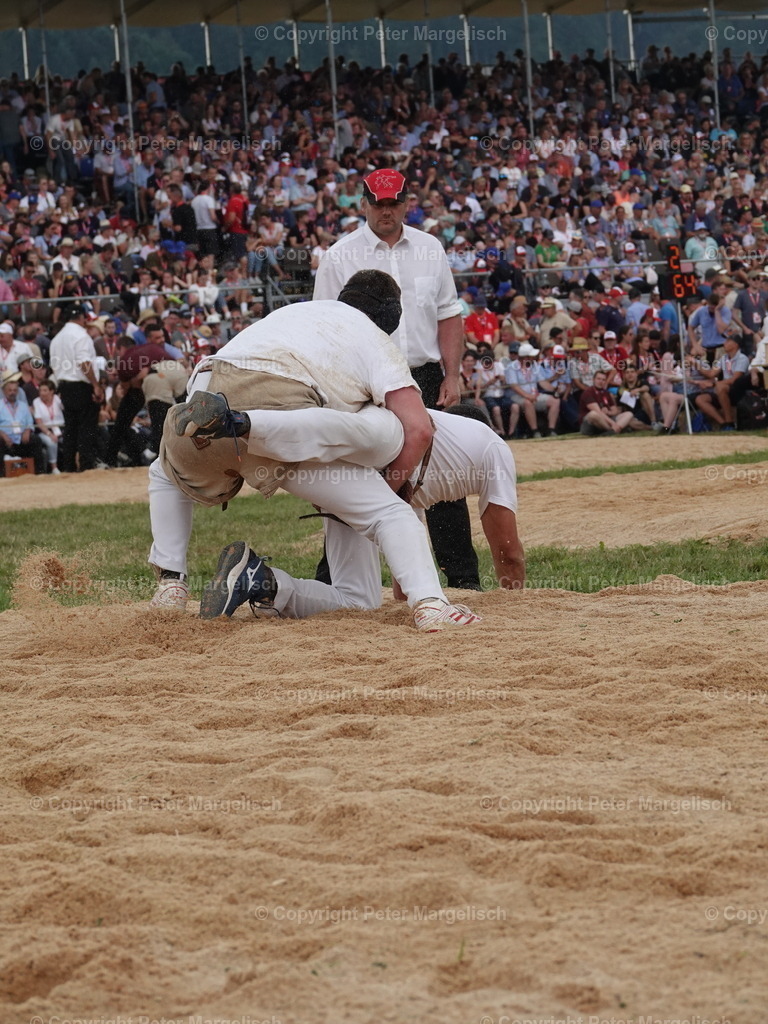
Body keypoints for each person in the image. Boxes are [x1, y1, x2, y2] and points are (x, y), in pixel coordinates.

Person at [148, 269, 480, 632]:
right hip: (279, 409)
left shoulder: (293, 313)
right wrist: (388, 490)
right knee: (391, 514)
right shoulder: (374, 339)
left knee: (162, 473)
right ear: (389, 322)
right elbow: (418, 429)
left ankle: (170, 582)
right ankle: (430, 605)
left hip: (204, 394)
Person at [197, 404, 525, 622]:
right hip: (360, 472)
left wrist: (409, 592)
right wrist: (515, 602)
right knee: (358, 602)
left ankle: (262, 581)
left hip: (337, 463)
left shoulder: (440, 448)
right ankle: (266, 583)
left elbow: (404, 544)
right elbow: (507, 551)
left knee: (354, 599)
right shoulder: (493, 447)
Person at [313, 168, 480, 591]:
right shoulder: (339, 255)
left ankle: (462, 581)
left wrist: (452, 374)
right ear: (364, 204)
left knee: (441, 476)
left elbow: (448, 314)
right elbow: (323, 326)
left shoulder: (430, 248)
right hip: (362, 379)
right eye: (378, 203)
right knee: (357, 477)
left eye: (394, 203)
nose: (386, 211)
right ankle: (333, 580)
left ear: (406, 202)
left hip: (421, 374)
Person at [48, 303, 105, 472]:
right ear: (81, 317)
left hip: (64, 386)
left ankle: (69, 466)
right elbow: (84, 362)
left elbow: (54, 364)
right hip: (81, 386)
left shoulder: (57, 338)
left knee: (70, 428)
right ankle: (86, 465)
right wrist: (95, 385)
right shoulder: (81, 335)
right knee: (86, 427)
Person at [0, 370, 46, 476]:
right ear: (4, 391)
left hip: (21, 438)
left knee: (35, 440)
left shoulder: (23, 405)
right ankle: (1, 476)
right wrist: (2, 435)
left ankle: (40, 474)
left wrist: (27, 430)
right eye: (10, 390)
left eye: (15, 390)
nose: (12, 392)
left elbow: (30, 422)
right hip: (5, 439)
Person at [579, 369, 635, 435]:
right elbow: (598, 412)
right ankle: (614, 430)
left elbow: (615, 410)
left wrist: (608, 412)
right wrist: (613, 423)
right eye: (598, 379)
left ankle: (612, 431)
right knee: (593, 414)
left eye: (603, 380)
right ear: (593, 380)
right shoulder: (588, 392)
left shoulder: (606, 393)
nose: (601, 381)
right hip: (591, 423)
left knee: (629, 414)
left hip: (606, 419)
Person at [32, 377, 65, 473]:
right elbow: (39, 422)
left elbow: (65, 411)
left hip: (60, 428)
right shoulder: (36, 401)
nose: (42, 393)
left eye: (45, 390)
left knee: (69, 439)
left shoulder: (57, 399)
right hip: (45, 430)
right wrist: (49, 434)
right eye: (41, 390)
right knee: (52, 442)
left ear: (52, 391)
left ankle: (70, 465)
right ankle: (54, 468)